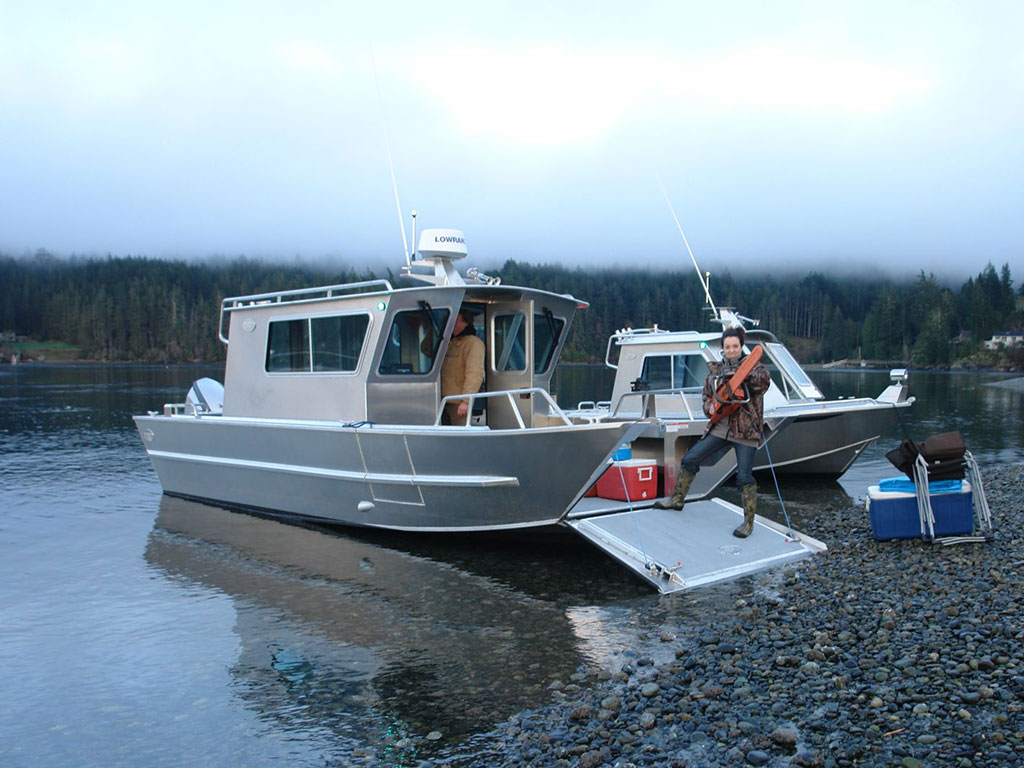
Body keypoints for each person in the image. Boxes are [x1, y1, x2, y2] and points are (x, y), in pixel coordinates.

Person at [653, 326, 770, 538]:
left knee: (744, 477)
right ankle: (677, 500)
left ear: (741, 347)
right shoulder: (715, 371)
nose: (731, 350)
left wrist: (743, 377)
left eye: (735, 346)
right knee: (690, 458)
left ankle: (748, 523)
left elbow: (763, 385)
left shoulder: (756, 369)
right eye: (728, 347)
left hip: (745, 431)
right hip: (721, 428)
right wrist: (711, 408)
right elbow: (706, 398)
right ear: (723, 349)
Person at [439, 307, 485, 426]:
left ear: (465, 323)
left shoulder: (474, 343)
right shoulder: (450, 342)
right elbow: (426, 349)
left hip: (458, 403)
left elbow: (474, 373)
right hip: (443, 400)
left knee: (459, 433)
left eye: (455, 320)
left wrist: (466, 401)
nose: (452, 323)